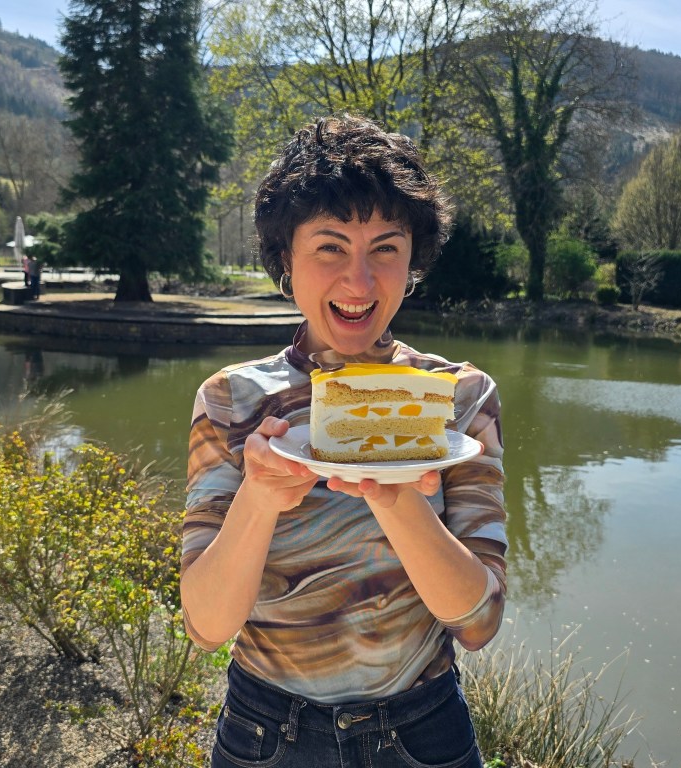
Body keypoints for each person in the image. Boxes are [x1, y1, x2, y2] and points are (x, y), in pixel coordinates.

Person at [181, 114, 507, 768]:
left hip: (422, 731)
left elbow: (478, 624)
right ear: (285, 259)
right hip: (265, 732)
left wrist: (395, 495)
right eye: (330, 247)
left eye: (385, 249)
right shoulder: (232, 400)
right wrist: (259, 498)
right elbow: (207, 628)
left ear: (412, 261)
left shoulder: (459, 397)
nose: (360, 283)